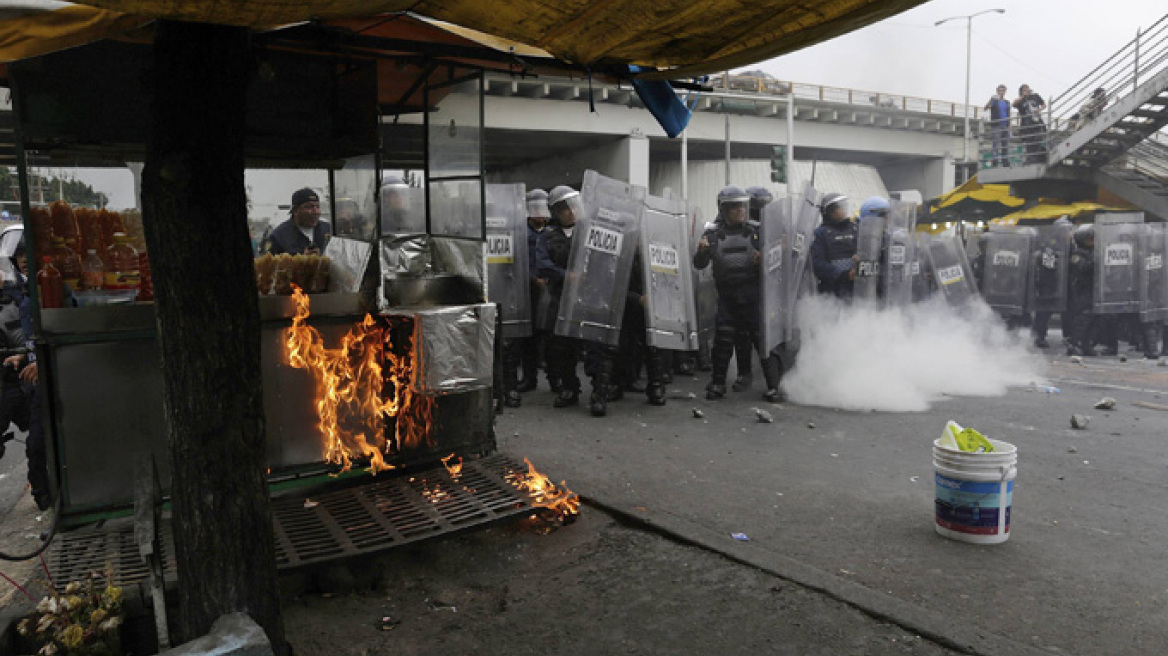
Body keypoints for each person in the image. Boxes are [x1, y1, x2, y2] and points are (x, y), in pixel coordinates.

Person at [694, 186, 781, 401]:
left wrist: (766, 259)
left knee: (763, 342)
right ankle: (717, 384)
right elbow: (699, 264)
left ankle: (774, 387)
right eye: (735, 207)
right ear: (724, 209)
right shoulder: (712, 234)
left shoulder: (757, 232)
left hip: (753, 298)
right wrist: (702, 251)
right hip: (727, 298)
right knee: (723, 341)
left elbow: (776, 265)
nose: (740, 210)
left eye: (742, 206)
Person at [2, 242, 51, 510]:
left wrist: (41, 363)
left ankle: (46, 498)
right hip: (30, 383)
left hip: (49, 382)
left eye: (27, 255)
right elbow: (33, 339)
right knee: (35, 444)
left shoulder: (48, 290)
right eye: (20, 256)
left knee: (38, 444)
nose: (23, 260)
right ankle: (44, 498)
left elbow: (58, 336)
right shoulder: (26, 293)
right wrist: (24, 356)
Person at [519, 189, 552, 393]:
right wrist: (534, 279)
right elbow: (519, 262)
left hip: (551, 287)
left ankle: (555, 378)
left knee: (550, 335)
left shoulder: (552, 232)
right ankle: (529, 377)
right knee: (529, 336)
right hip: (530, 289)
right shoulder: (522, 233)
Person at [809, 193, 857, 298]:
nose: (844, 209)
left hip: (856, 289)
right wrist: (843, 275)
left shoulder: (855, 229)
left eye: (844, 205)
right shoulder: (820, 233)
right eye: (840, 207)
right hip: (831, 291)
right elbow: (817, 263)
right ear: (830, 211)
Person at [264, 187, 331, 255]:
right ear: (295, 210)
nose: (316, 211)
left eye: (317, 206)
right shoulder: (278, 237)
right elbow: (269, 263)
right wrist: (300, 259)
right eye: (309, 207)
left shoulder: (328, 229)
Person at [1014, 85, 1047, 165]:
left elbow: (1044, 104)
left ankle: (1037, 158)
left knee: (1038, 139)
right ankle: (1030, 159)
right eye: (1024, 90)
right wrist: (1023, 96)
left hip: (1037, 121)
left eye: (1027, 89)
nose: (1026, 91)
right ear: (1021, 91)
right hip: (1026, 123)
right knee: (1029, 141)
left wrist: (1039, 109)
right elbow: (1014, 104)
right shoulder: (1020, 100)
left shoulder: (1035, 96)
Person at [984, 84, 1012, 168]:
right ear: (997, 91)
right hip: (997, 125)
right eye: (1000, 90)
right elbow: (986, 108)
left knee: (1005, 144)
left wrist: (1010, 125)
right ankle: (995, 160)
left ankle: (1005, 161)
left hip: (1005, 125)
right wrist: (991, 99)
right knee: (996, 143)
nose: (1001, 92)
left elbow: (1009, 113)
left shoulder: (1007, 102)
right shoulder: (994, 101)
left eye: (1003, 90)